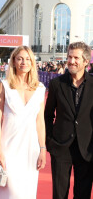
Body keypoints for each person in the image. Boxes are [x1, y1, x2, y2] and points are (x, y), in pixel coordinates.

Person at [0, 46, 46, 199]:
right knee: (10, 192)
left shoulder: (40, 88)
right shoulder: (4, 85)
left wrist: (42, 148)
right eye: (20, 58)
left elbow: (40, 121)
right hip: (8, 148)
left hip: (31, 149)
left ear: (32, 62)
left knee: (28, 193)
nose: (24, 62)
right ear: (13, 62)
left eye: (28, 59)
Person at [45, 42, 93, 199]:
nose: (71, 61)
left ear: (86, 61)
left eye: (76, 58)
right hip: (60, 148)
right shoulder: (56, 84)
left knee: (83, 194)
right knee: (59, 194)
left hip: (87, 149)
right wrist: (50, 141)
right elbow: (48, 115)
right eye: (69, 57)